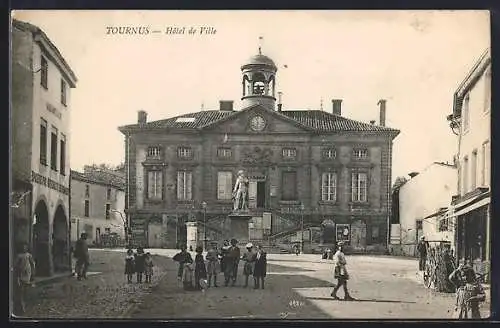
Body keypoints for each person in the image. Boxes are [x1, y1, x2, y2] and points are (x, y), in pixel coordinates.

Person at [13, 243, 36, 315]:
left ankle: (25, 304)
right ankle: (22, 306)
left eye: (25, 247)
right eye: (23, 247)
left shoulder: (29, 255)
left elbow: (32, 264)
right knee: (21, 290)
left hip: (27, 273)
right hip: (21, 274)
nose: (24, 248)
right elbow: (15, 265)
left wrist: (33, 273)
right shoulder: (19, 256)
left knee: (26, 289)